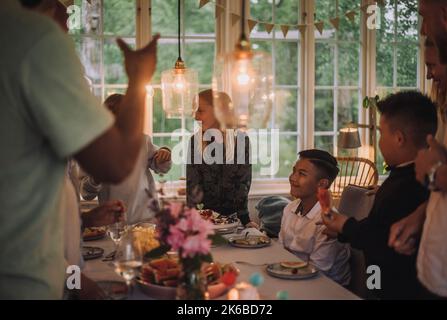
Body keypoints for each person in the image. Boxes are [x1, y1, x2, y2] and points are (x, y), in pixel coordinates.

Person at [0, 0, 159, 299]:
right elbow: (115, 163)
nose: (67, 17)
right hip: (26, 284)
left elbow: (19, 196)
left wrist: (84, 220)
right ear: (46, 8)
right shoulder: (34, 37)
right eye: (67, 10)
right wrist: (139, 78)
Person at [321, 91, 437, 299]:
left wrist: (344, 225)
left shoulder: (411, 185)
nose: (379, 141)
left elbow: (383, 238)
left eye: (381, 133)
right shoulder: (399, 177)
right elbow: (378, 224)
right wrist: (342, 230)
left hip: (397, 289)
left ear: (399, 138)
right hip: (378, 281)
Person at [389, 0, 447, 298]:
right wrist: (421, 215)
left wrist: (435, 173)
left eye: (425, 17)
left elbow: (440, 175)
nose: (424, 27)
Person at [80, 94, 172, 224]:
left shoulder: (142, 141)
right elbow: (86, 194)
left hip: (146, 219)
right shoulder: (94, 148)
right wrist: (96, 178)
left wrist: (164, 154)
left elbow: (162, 167)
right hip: (113, 223)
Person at [279, 149, 351, 286]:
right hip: (294, 276)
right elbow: (281, 250)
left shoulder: (328, 222)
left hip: (326, 288)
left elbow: (317, 270)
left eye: (301, 174)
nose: (292, 177)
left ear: (322, 184)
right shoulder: (289, 209)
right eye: (294, 171)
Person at [186, 89, 257, 228]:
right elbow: (192, 187)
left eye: (200, 111)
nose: (195, 117)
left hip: (235, 222)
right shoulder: (195, 141)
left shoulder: (241, 141)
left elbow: (243, 184)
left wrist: (245, 220)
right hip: (203, 223)